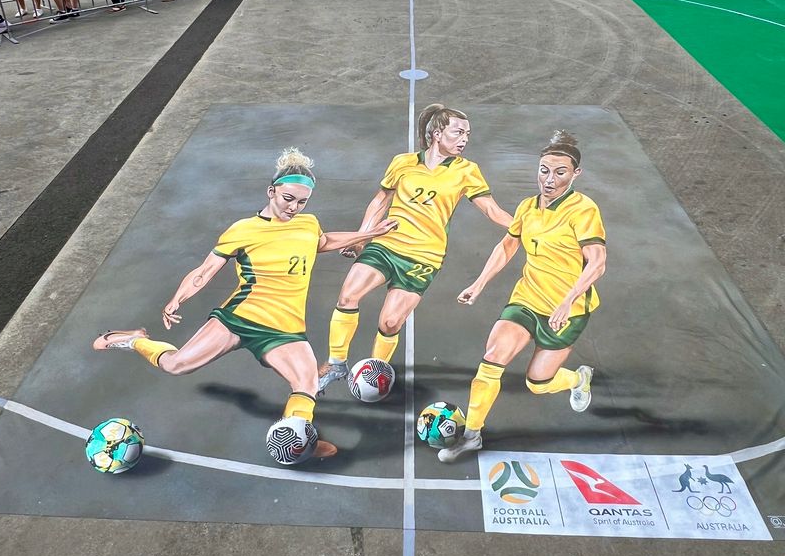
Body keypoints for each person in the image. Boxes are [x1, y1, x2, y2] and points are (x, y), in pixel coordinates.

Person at [90, 148, 398, 464]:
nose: (294, 207)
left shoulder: (308, 224)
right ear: (271, 191)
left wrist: (370, 232)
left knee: (305, 384)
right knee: (175, 364)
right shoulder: (243, 230)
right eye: (288, 198)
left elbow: (322, 242)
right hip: (241, 318)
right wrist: (176, 299)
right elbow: (204, 271)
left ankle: (298, 440)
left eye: (302, 201)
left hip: (285, 329)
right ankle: (133, 338)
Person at [317, 104, 514, 393]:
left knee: (390, 322)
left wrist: (527, 226)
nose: (465, 140)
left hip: (424, 256)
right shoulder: (402, 162)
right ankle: (336, 363)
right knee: (348, 295)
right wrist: (361, 238)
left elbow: (492, 211)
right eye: (458, 132)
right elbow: (380, 202)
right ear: (437, 133)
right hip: (387, 244)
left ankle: (373, 374)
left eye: (467, 135)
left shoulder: (467, 171)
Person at [438, 131, 607, 463]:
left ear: (576, 175)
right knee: (493, 357)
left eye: (560, 172)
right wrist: (479, 283)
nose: (550, 179)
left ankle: (577, 378)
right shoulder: (527, 207)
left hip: (567, 310)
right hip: (527, 299)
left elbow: (597, 262)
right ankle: (472, 434)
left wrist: (568, 300)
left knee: (537, 383)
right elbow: (507, 246)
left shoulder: (583, 209)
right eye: (544, 170)